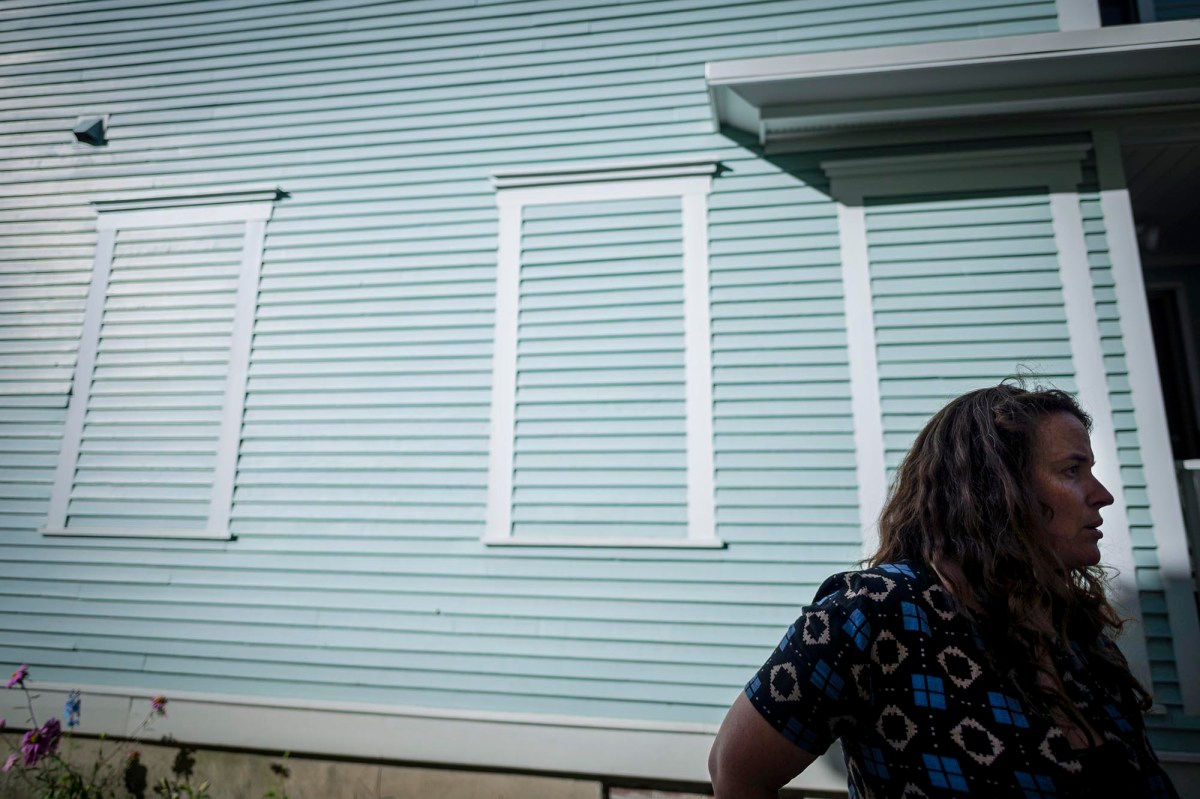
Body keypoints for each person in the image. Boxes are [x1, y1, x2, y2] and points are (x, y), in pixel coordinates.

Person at [708, 383, 1179, 798]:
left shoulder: (1077, 630)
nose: (1102, 495)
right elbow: (735, 770)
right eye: (1072, 470)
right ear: (997, 489)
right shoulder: (876, 612)